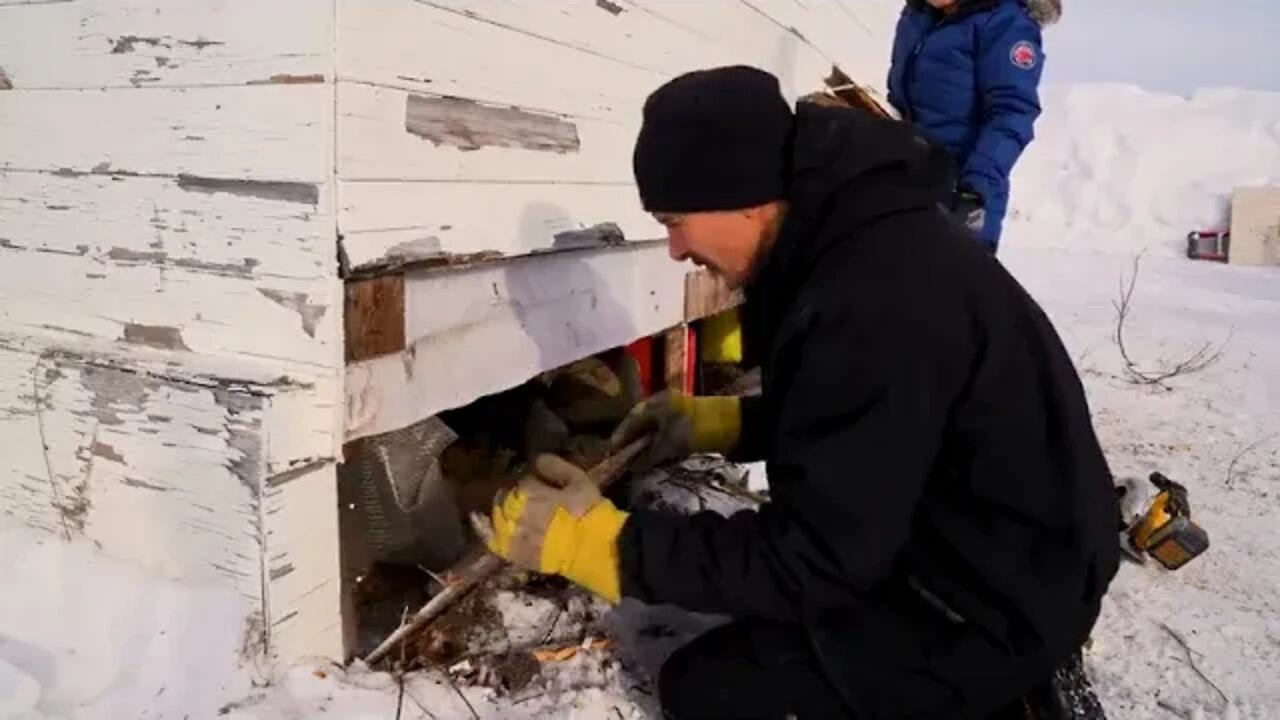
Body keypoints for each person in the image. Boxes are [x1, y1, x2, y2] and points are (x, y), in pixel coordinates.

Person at [482, 66, 1118, 719]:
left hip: (986, 599)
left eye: (675, 220)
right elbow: (873, 423)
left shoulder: (868, 298)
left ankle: (1005, 697)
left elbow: (815, 559)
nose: (673, 250)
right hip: (990, 549)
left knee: (713, 693)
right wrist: (724, 424)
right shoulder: (855, 243)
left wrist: (608, 548)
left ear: (744, 198)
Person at [888, 0, 1062, 252]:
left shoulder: (1005, 24)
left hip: (959, 194)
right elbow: (902, 99)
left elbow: (1012, 113)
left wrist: (976, 190)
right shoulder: (918, 16)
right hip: (904, 185)